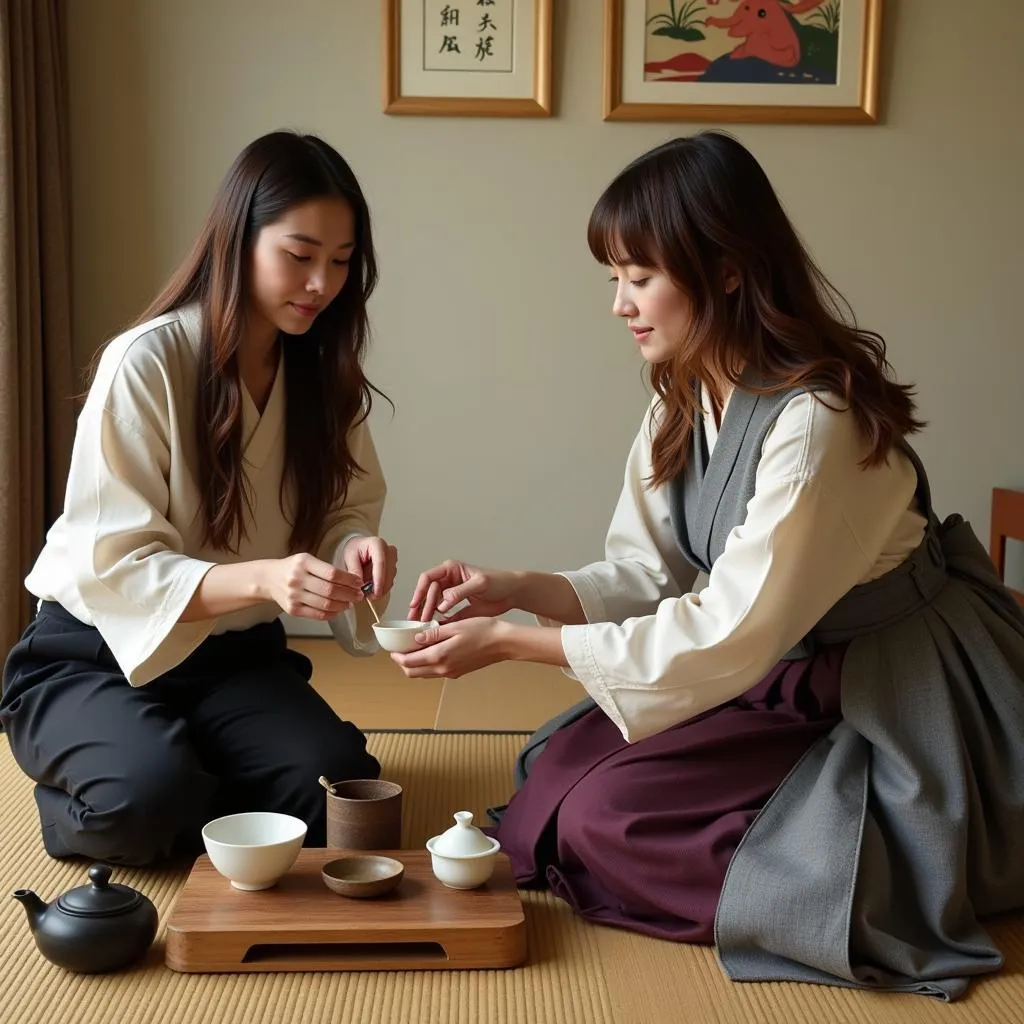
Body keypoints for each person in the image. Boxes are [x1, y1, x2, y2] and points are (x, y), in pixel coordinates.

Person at [393, 132, 1024, 999]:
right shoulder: (686, 394)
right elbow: (649, 573)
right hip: (771, 663)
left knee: (606, 820)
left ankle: (831, 871)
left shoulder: (817, 424)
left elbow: (726, 629)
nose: (620, 304)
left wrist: (508, 644)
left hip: (883, 680)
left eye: (640, 276)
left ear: (726, 270)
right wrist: (515, 589)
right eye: (614, 277)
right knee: (554, 777)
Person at [0, 131, 397, 865]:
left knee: (335, 796)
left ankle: (187, 766)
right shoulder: (146, 362)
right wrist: (262, 579)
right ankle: (106, 772)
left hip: (233, 658)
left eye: (341, 263)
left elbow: (348, 504)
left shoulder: (323, 376)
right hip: (96, 652)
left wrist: (353, 549)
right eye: (299, 255)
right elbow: (113, 560)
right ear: (237, 240)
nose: (320, 284)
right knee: (142, 804)